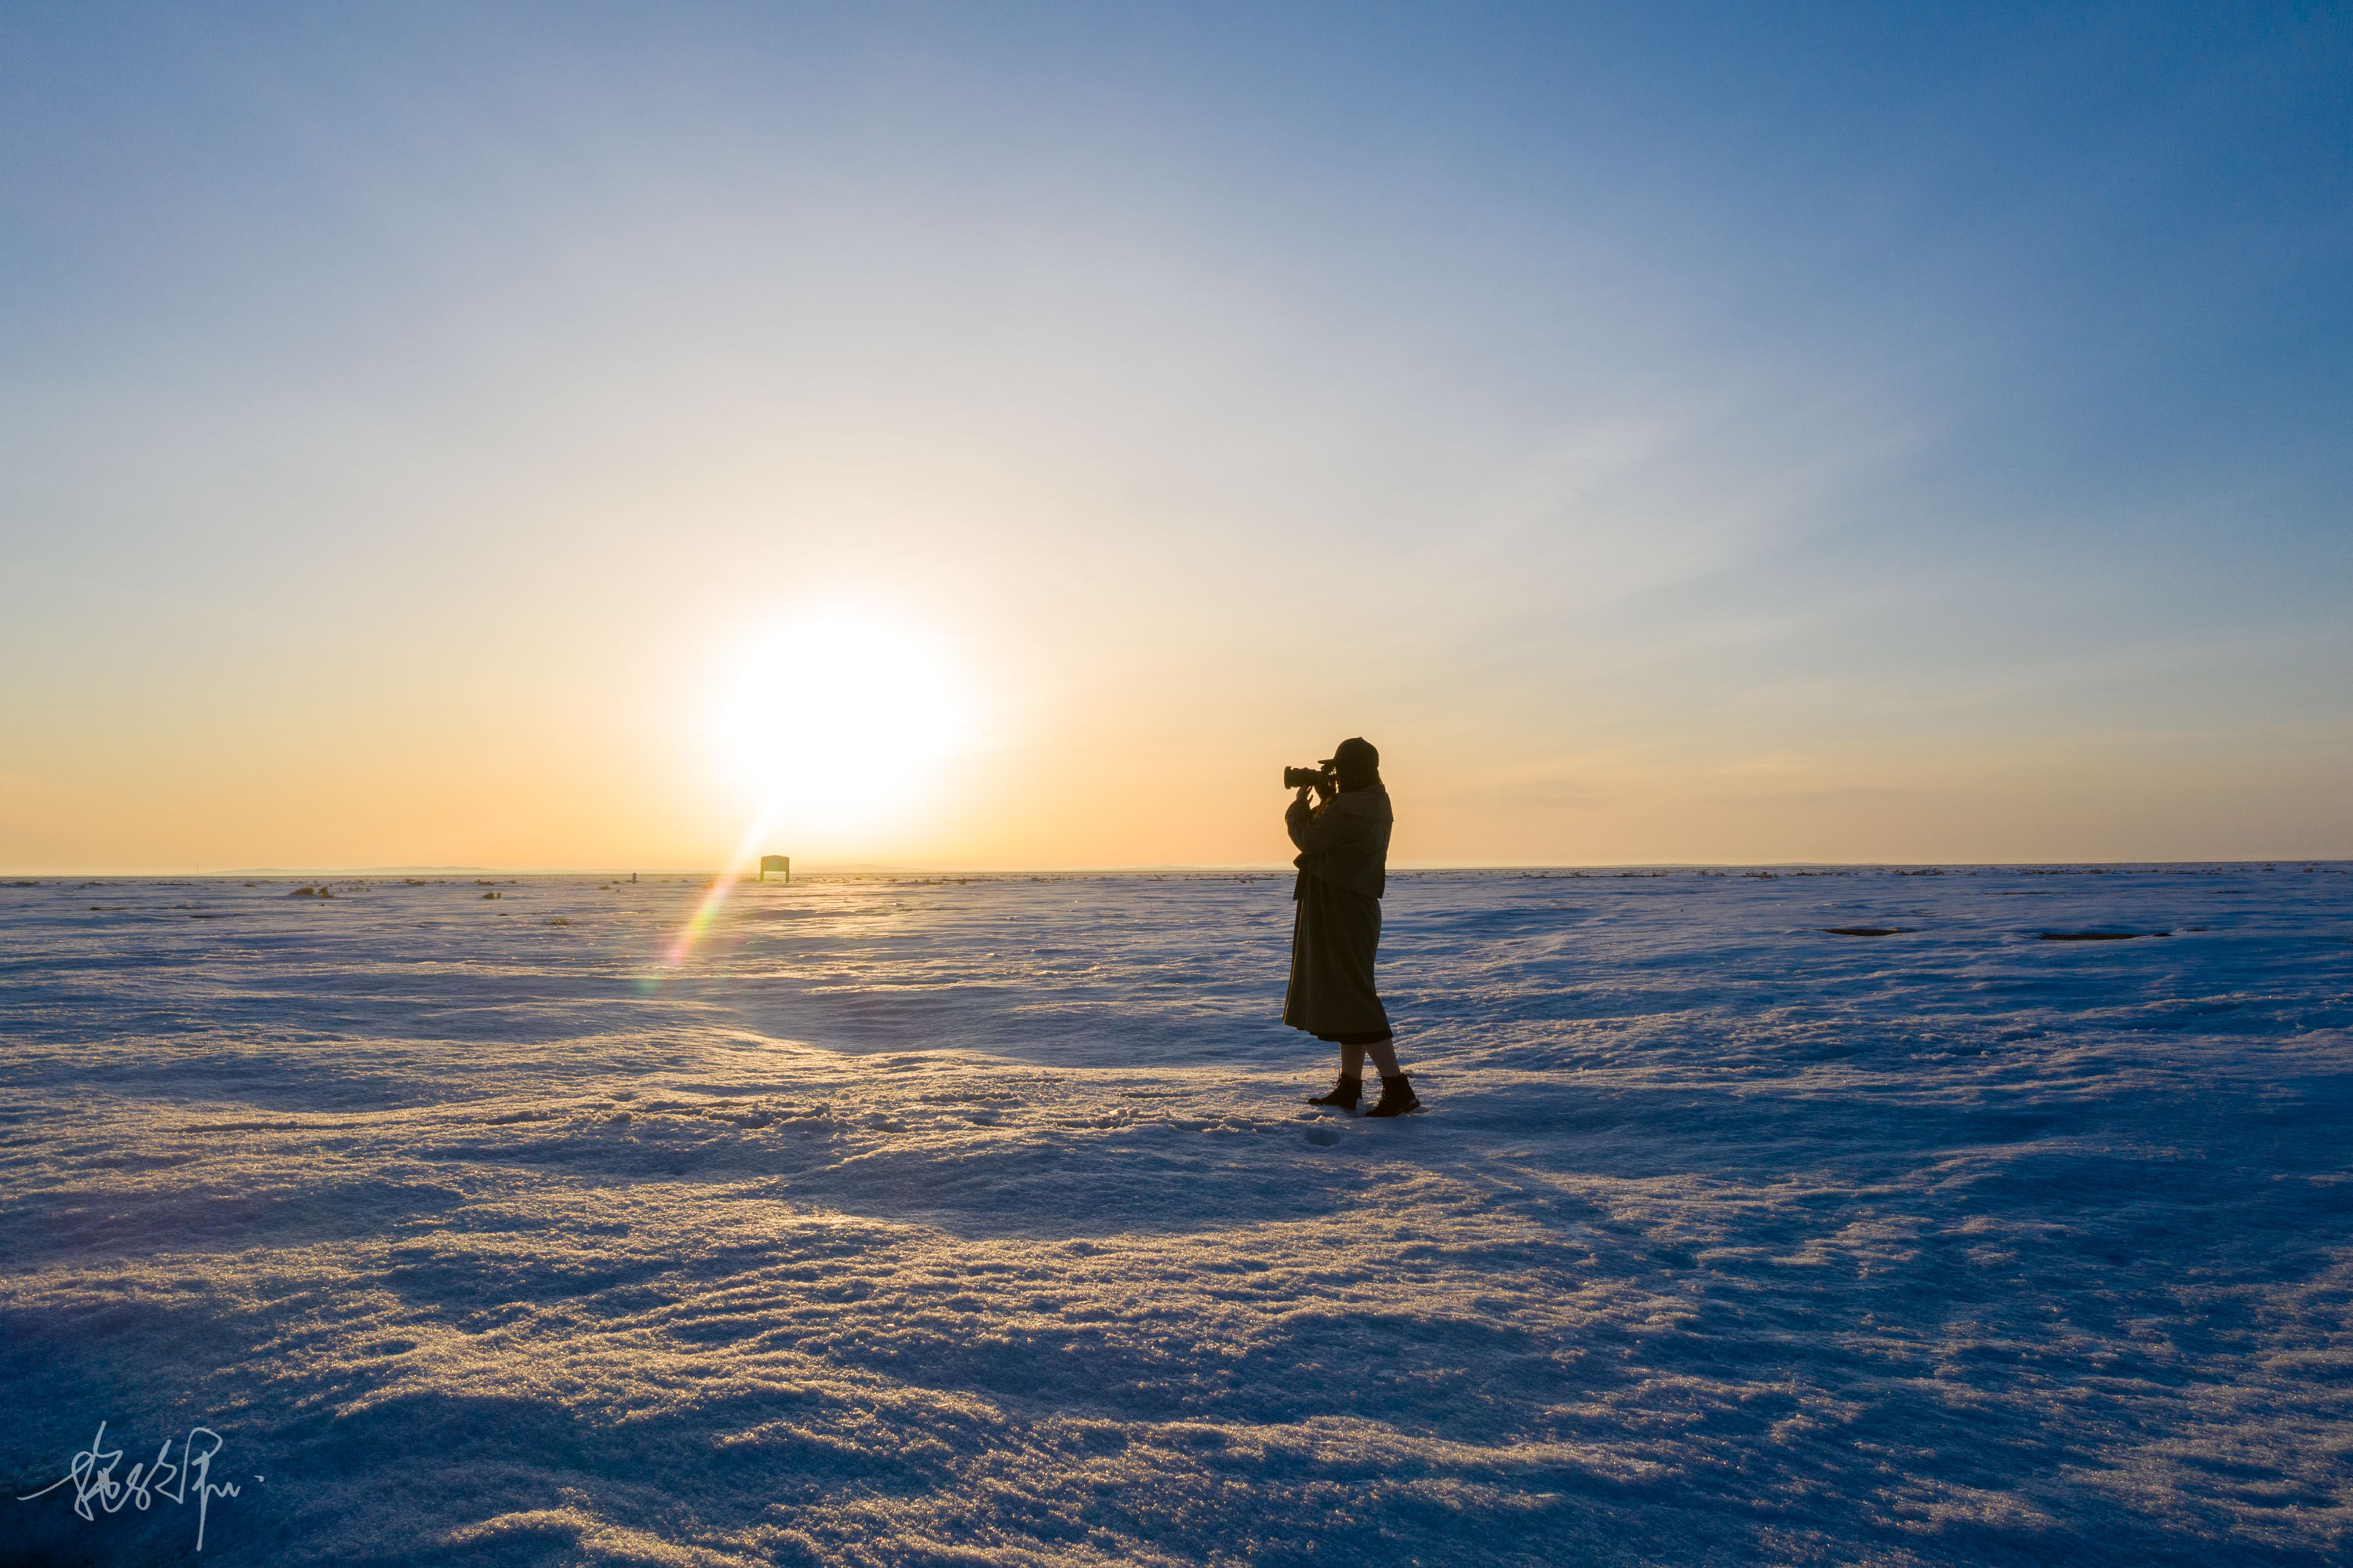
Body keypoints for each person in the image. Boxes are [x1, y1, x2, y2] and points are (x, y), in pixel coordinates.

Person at [1285, 737, 1420, 1117]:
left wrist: (1297, 808)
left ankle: (1397, 1088)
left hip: (1343, 908)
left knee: (1357, 1000)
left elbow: (1310, 838)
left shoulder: (1352, 807)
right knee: (1349, 998)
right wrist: (1329, 797)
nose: (1337, 778)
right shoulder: (1372, 799)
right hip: (1349, 906)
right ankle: (1350, 1087)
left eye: (1341, 771)